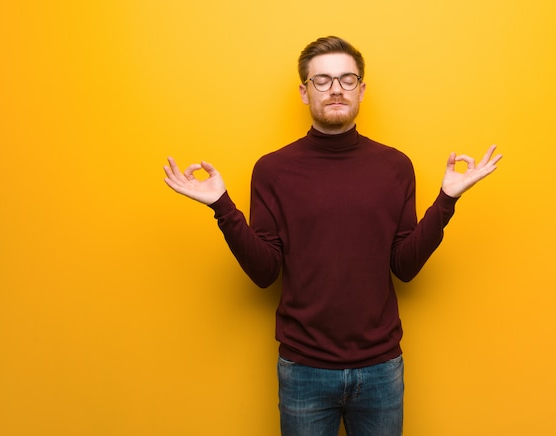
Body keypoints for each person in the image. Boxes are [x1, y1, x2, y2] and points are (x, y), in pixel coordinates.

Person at [163, 36, 502, 436]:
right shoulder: (273, 170)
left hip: (381, 368)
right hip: (304, 369)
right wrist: (222, 205)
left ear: (361, 90)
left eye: (346, 78)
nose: (336, 88)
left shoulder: (394, 166)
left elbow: (405, 266)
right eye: (322, 81)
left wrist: (446, 199)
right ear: (304, 93)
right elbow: (265, 272)